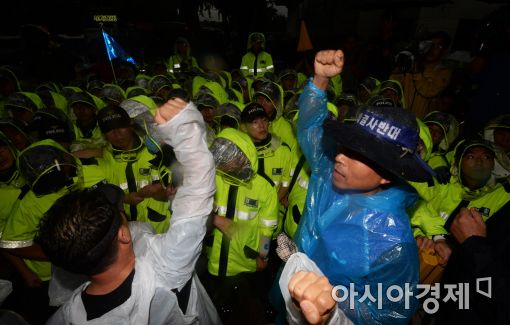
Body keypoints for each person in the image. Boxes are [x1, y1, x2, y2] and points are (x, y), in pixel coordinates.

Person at [280, 50, 435, 324]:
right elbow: (310, 128)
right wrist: (319, 82)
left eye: (359, 154)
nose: (340, 156)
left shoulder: (393, 244)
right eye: (347, 145)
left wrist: (330, 306)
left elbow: (389, 315)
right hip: (288, 299)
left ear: (386, 175)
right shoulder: (328, 171)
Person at [36, 97, 220, 324]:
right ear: (124, 234)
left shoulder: (65, 317)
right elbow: (197, 192)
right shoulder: (166, 269)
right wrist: (184, 129)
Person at [390, 31, 453, 119]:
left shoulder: (443, 72)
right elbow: (393, 83)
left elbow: (428, 91)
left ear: (445, 51)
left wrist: (416, 71)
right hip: (400, 118)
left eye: (438, 46)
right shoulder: (411, 64)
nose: (431, 49)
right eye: (429, 44)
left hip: (422, 124)